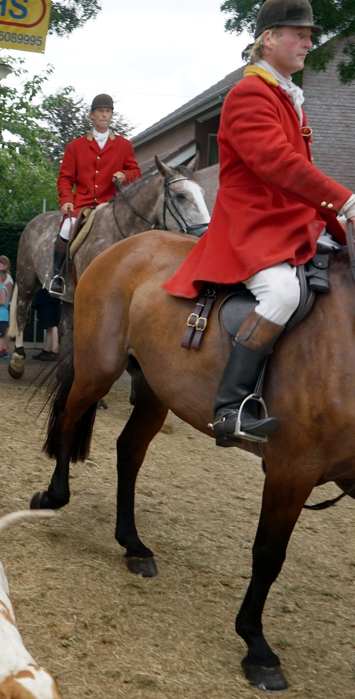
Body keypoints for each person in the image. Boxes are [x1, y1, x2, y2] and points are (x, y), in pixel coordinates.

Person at [164, 0, 355, 447]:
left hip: (292, 220)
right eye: (300, 34)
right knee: (283, 291)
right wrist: (345, 200)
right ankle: (230, 408)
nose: (309, 42)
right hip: (252, 225)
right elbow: (277, 163)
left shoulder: (286, 92)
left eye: (310, 34)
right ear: (269, 39)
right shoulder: (250, 94)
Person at [50, 94, 141, 297]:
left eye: (108, 111)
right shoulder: (75, 146)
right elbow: (65, 178)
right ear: (92, 115)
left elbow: (136, 173)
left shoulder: (124, 145)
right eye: (100, 111)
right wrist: (66, 200)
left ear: (111, 115)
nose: (104, 115)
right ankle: (57, 276)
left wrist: (124, 175)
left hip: (110, 204)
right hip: (82, 204)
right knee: (65, 229)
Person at [31, 287, 61, 361]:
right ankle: (48, 349)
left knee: (52, 324)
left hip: (47, 297)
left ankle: (54, 350)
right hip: (49, 297)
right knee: (50, 325)